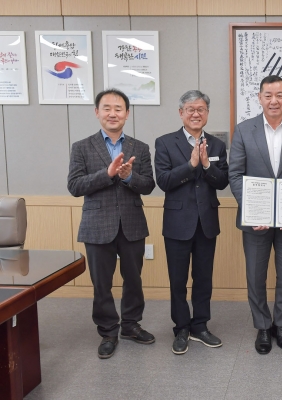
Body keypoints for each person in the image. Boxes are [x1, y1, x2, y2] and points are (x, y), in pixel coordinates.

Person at [229, 75, 282, 355]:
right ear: (259, 97)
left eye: (279, 95)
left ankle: (281, 324)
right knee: (256, 275)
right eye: (268, 95)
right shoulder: (244, 130)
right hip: (256, 220)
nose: (274, 101)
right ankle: (263, 326)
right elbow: (235, 174)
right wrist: (253, 211)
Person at [67, 88, 156, 359]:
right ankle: (107, 331)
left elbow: (148, 185)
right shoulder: (81, 147)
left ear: (127, 114)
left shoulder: (140, 148)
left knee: (134, 279)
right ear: (97, 112)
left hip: (132, 224)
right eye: (107, 108)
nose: (113, 113)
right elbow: (74, 186)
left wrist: (129, 177)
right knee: (101, 283)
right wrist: (106, 174)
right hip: (96, 224)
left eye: (118, 109)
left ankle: (130, 325)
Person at [154, 90, 229, 355]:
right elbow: (163, 181)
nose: (196, 114)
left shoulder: (217, 145)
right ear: (181, 113)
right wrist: (191, 165)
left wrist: (207, 166)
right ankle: (181, 328)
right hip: (177, 223)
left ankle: (200, 325)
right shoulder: (165, 142)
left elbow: (223, 182)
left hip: (206, 222)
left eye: (201, 109)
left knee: (203, 279)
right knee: (178, 280)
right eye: (190, 109)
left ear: (207, 113)